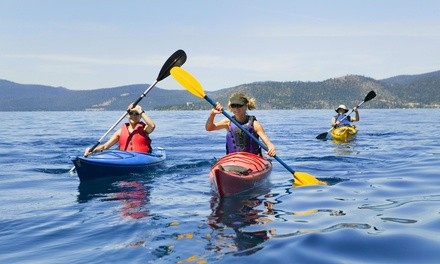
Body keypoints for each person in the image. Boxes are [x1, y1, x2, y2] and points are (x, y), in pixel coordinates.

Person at [205, 92, 276, 157]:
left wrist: (271, 148)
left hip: (252, 160)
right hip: (233, 159)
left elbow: (268, 143)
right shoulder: (228, 122)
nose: (236, 108)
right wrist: (212, 114)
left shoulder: (254, 124)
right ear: (231, 107)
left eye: (239, 105)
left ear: (246, 106)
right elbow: (209, 128)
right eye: (233, 105)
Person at [84, 103, 155, 156]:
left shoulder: (145, 129)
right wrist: (92, 150)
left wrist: (140, 111)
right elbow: (105, 146)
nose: (133, 115)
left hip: (143, 157)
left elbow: (152, 125)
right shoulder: (120, 132)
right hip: (125, 158)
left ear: (140, 116)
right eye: (131, 113)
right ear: (127, 115)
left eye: (136, 114)